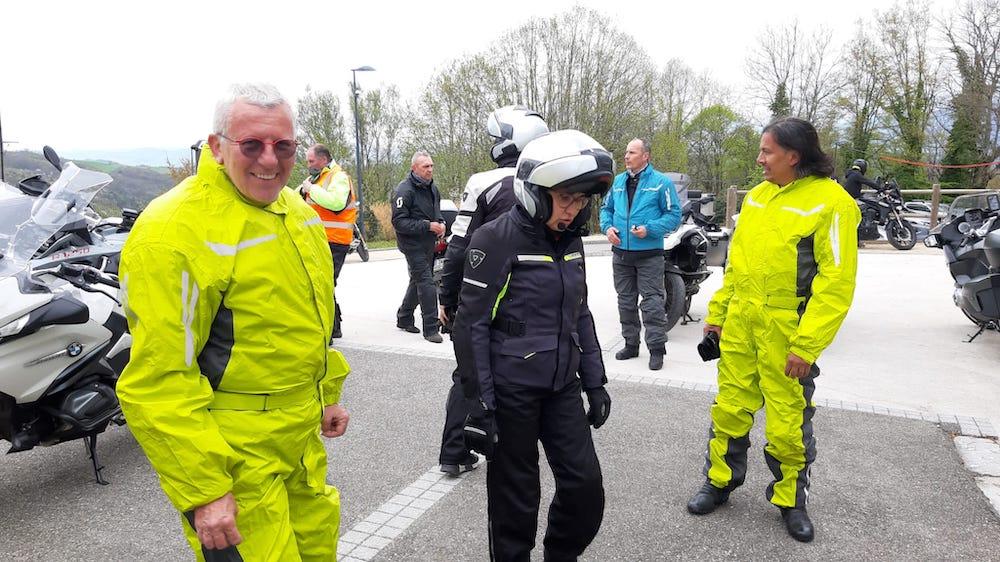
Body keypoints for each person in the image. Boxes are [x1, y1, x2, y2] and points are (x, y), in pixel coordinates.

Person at [116, 83, 351, 560]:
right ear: (217, 147)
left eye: (283, 146)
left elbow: (308, 321)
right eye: (252, 145)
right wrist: (204, 489)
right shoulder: (173, 232)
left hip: (300, 443)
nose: (270, 160)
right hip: (233, 458)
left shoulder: (298, 213)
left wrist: (326, 394)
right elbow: (158, 381)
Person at [685, 117, 860, 544]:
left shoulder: (831, 203)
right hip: (742, 325)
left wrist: (807, 345)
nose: (759, 159)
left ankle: (791, 501)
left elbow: (836, 284)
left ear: (793, 156)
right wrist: (718, 314)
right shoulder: (758, 199)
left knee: (787, 422)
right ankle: (720, 482)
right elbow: (735, 267)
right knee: (729, 407)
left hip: (788, 332)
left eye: (767, 152)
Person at [456, 129, 613, 561]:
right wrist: (480, 405)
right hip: (510, 392)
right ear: (534, 191)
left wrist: (595, 382)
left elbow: (579, 311)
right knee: (516, 501)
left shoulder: (571, 241)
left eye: (581, 201)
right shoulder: (495, 239)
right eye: (566, 198)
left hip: (562, 386)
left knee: (585, 489)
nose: (573, 210)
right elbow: (471, 327)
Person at [436, 105, 549, 477]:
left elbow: (458, 247)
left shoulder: (483, 182)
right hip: (533, 301)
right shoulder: (552, 181)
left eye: (499, 137)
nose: (495, 143)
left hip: (485, 296)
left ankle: (455, 450)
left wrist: (446, 299)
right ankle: (513, 449)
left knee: (468, 370)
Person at [599, 138, 681, 370]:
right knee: (625, 301)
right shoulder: (617, 182)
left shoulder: (661, 183)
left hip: (648, 255)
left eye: (632, 152)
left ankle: (656, 350)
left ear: (646, 156)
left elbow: (674, 216)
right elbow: (606, 209)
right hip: (621, 255)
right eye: (626, 152)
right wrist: (608, 229)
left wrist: (650, 229)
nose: (626, 156)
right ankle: (631, 344)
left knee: (652, 303)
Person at [299, 143, 356, 339]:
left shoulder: (338, 177)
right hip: (319, 240)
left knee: (324, 284)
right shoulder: (316, 178)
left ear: (323, 159)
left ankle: (329, 330)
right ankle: (334, 327)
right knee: (325, 284)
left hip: (335, 241)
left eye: (311, 161)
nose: (308, 165)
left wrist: (311, 189)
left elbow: (336, 203)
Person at [392, 150, 446, 343]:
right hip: (411, 243)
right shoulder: (404, 190)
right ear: (414, 168)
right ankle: (431, 328)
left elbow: (437, 213)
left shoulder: (433, 188)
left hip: (428, 243)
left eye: (431, 166)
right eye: (426, 166)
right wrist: (427, 225)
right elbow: (399, 222)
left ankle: (404, 317)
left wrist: (440, 225)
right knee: (427, 282)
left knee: (417, 280)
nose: (430, 170)